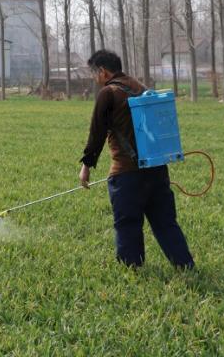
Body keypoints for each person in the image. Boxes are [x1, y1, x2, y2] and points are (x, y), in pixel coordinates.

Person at [79, 49, 195, 269]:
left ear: (103, 71)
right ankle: (185, 265)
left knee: (128, 224)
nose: (95, 79)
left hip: (126, 174)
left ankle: (131, 270)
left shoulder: (108, 92)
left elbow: (96, 133)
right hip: (157, 170)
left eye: (95, 74)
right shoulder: (141, 88)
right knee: (165, 223)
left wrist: (86, 166)